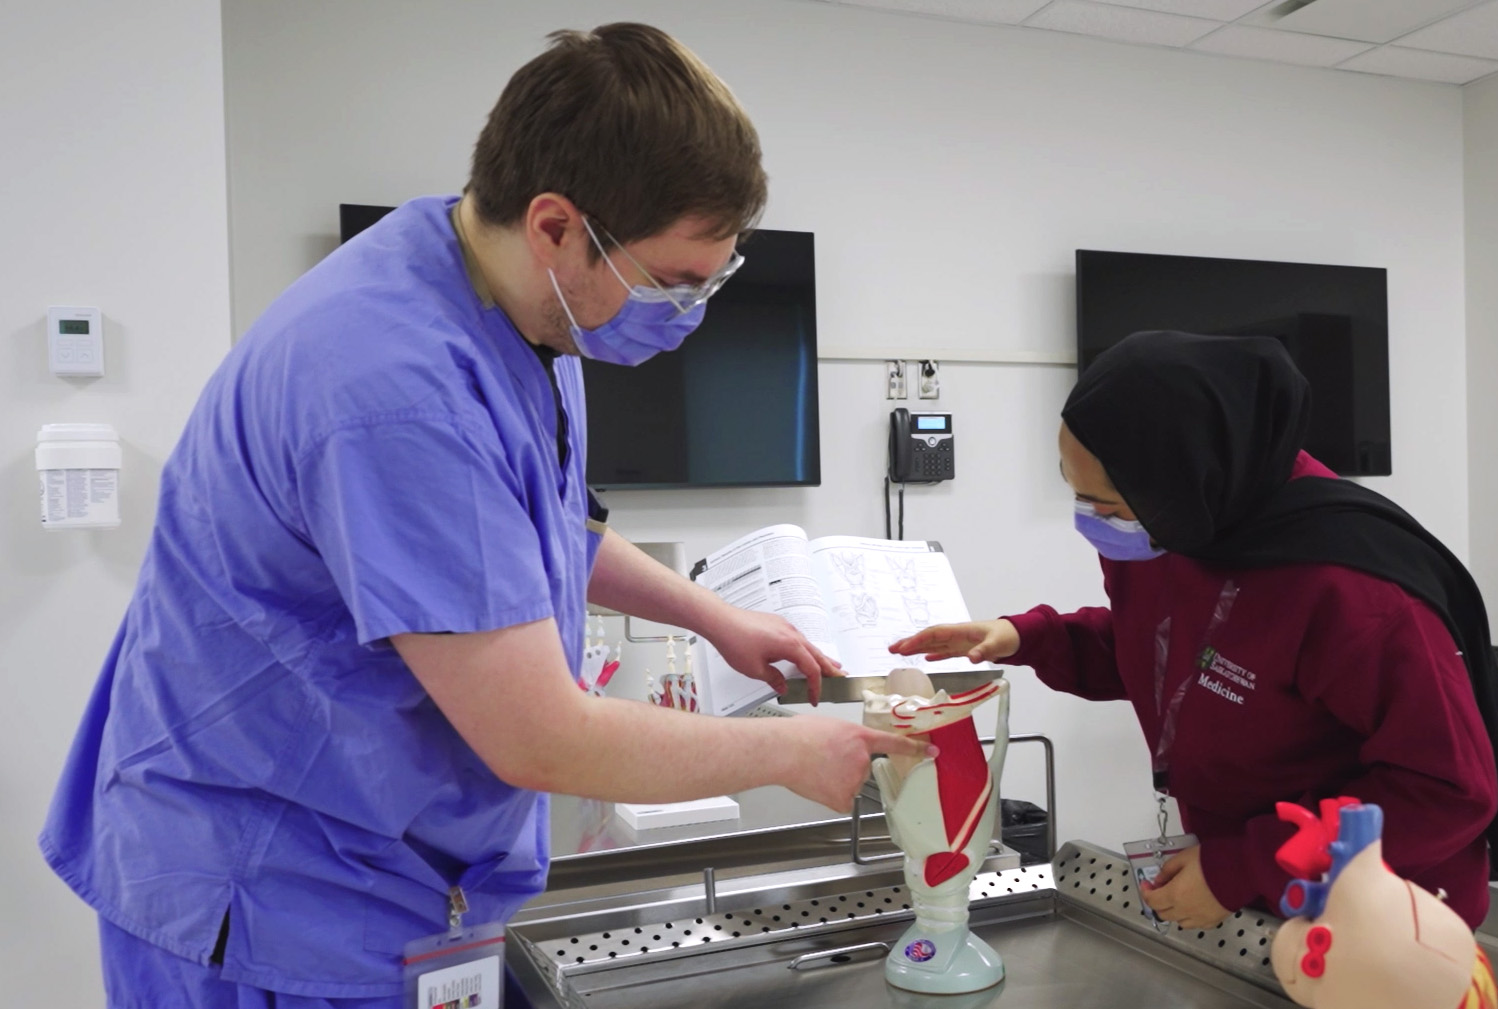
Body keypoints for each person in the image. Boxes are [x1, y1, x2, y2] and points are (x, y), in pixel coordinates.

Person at [41, 23, 920, 1007]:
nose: (689, 312)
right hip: (268, 892)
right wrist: (793, 753)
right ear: (554, 224)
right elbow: (538, 735)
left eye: (713, 281)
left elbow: (536, 525)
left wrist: (713, 615)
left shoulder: (525, 308)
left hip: (393, 873)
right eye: (673, 281)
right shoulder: (395, 388)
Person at [892, 330, 1498, 932]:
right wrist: (1027, 638)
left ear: (1189, 481)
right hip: (1257, 895)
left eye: (1110, 506)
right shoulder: (1182, 527)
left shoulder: (1354, 593)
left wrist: (1241, 868)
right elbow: (1173, 655)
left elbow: (1445, 791)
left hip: (1383, 916)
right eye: (1075, 492)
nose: (1093, 523)